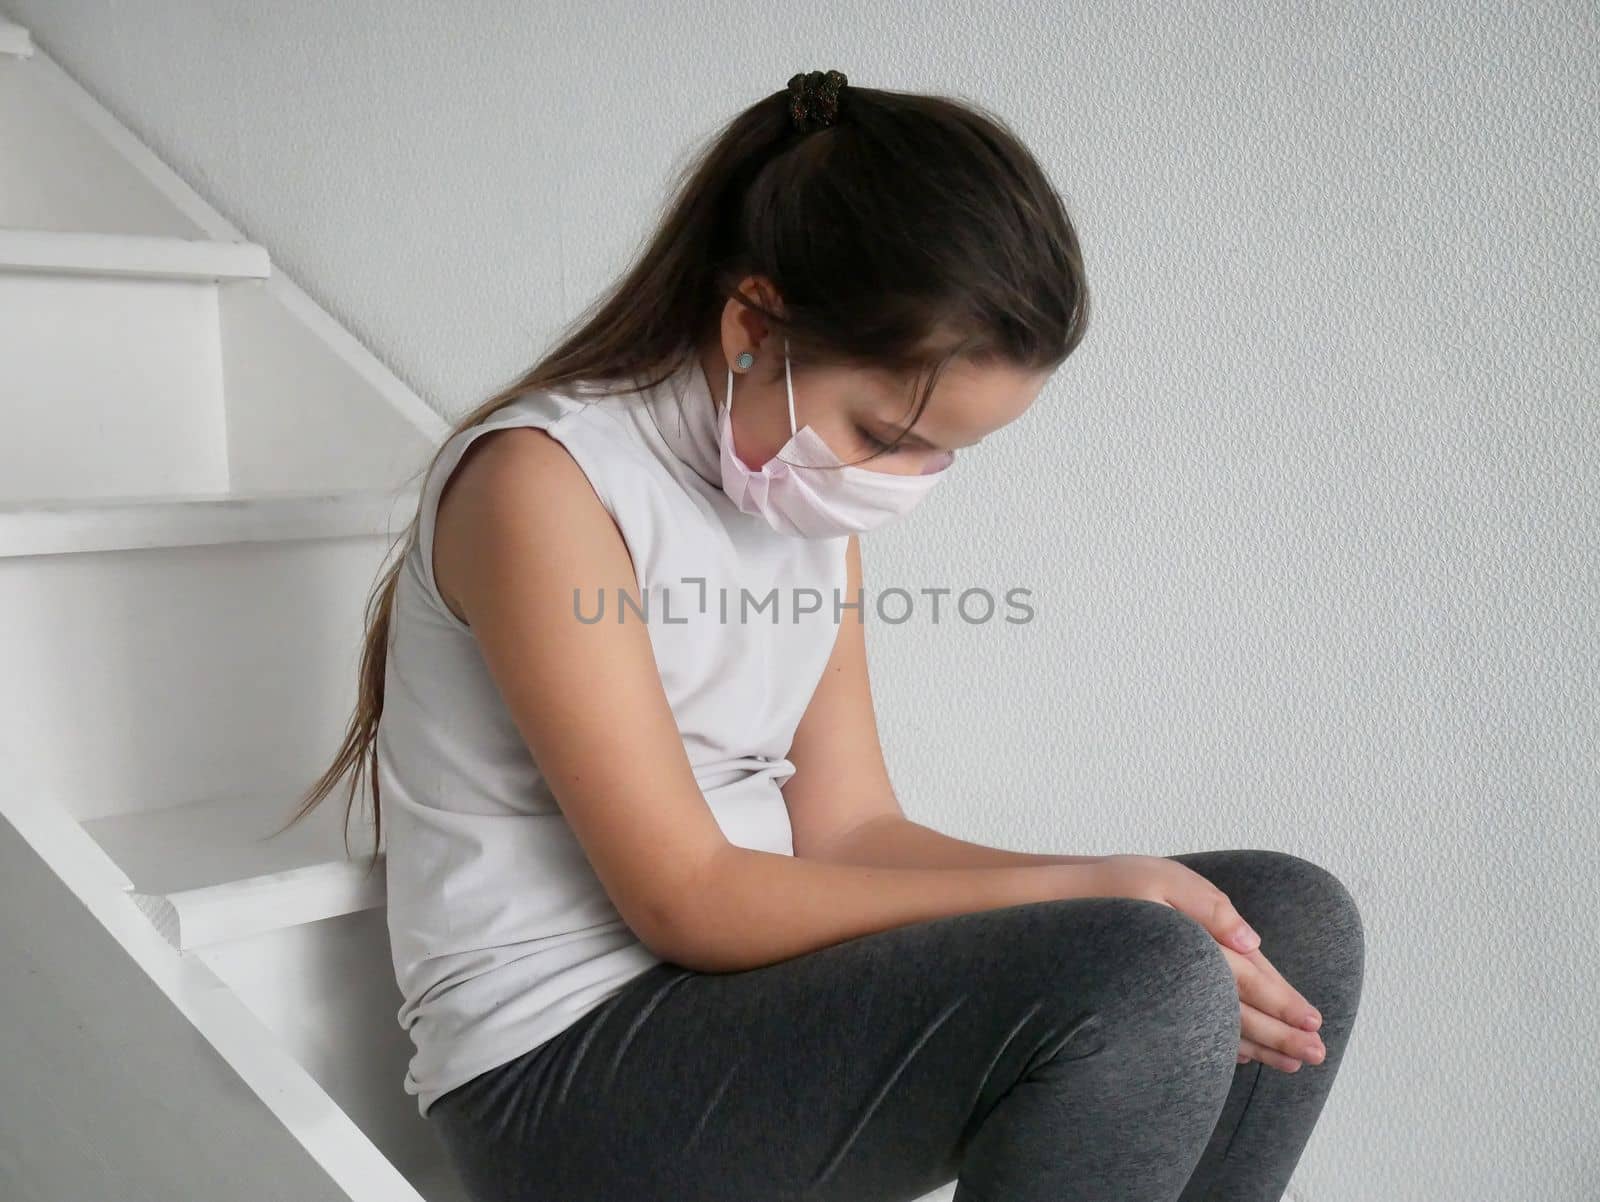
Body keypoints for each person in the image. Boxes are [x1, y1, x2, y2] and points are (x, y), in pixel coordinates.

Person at [283, 69, 1364, 1202]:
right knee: (1135, 964)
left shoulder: (797, 492)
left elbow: (847, 828)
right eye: (887, 432)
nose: (902, 481)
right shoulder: (543, 485)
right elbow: (687, 894)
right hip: (565, 1071)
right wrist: (1094, 893)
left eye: (942, 453)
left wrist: (1126, 893)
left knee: (1285, 919)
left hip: (746, 1002)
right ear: (754, 322)